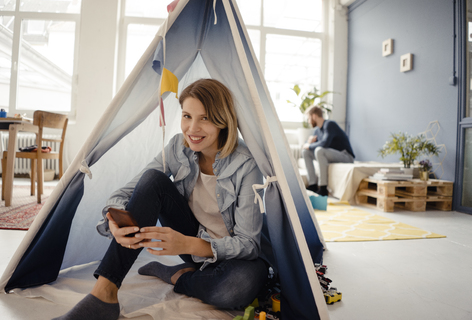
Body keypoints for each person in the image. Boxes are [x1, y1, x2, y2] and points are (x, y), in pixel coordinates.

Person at [54, 79, 270, 320]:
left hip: (234, 257)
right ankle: (104, 293)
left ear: (223, 121)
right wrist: (114, 221)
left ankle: (179, 276)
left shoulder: (247, 164)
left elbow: (249, 244)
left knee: (235, 288)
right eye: (187, 116)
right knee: (152, 179)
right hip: (194, 241)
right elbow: (127, 192)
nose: (192, 129)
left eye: (205, 118)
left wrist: (186, 244)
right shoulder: (177, 147)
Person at [301, 106, 355, 196]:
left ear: (314, 116)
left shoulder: (329, 124)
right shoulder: (317, 130)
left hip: (346, 156)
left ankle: (323, 188)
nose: (308, 121)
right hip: (331, 155)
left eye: (308, 118)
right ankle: (313, 185)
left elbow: (324, 143)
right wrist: (309, 142)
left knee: (319, 150)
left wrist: (309, 145)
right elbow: (307, 147)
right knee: (305, 152)